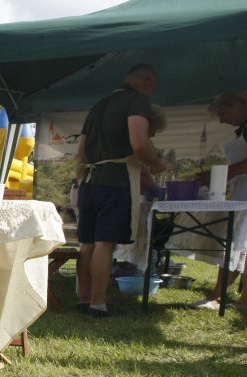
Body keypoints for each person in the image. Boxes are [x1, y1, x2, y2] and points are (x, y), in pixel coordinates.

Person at [74, 64, 166, 316]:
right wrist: (156, 163)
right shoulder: (137, 101)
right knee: (105, 243)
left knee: (88, 243)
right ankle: (98, 303)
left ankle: (84, 299)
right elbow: (139, 142)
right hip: (116, 181)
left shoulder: (98, 106)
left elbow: (80, 151)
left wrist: (80, 181)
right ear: (146, 81)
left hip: (90, 181)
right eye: (152, 85)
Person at [192, 91, 247, 312]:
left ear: (240, 104)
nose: (222, 119)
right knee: (240, 244)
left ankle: (239, 299)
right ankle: (231, 298)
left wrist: (223, 175)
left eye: (224, 113)